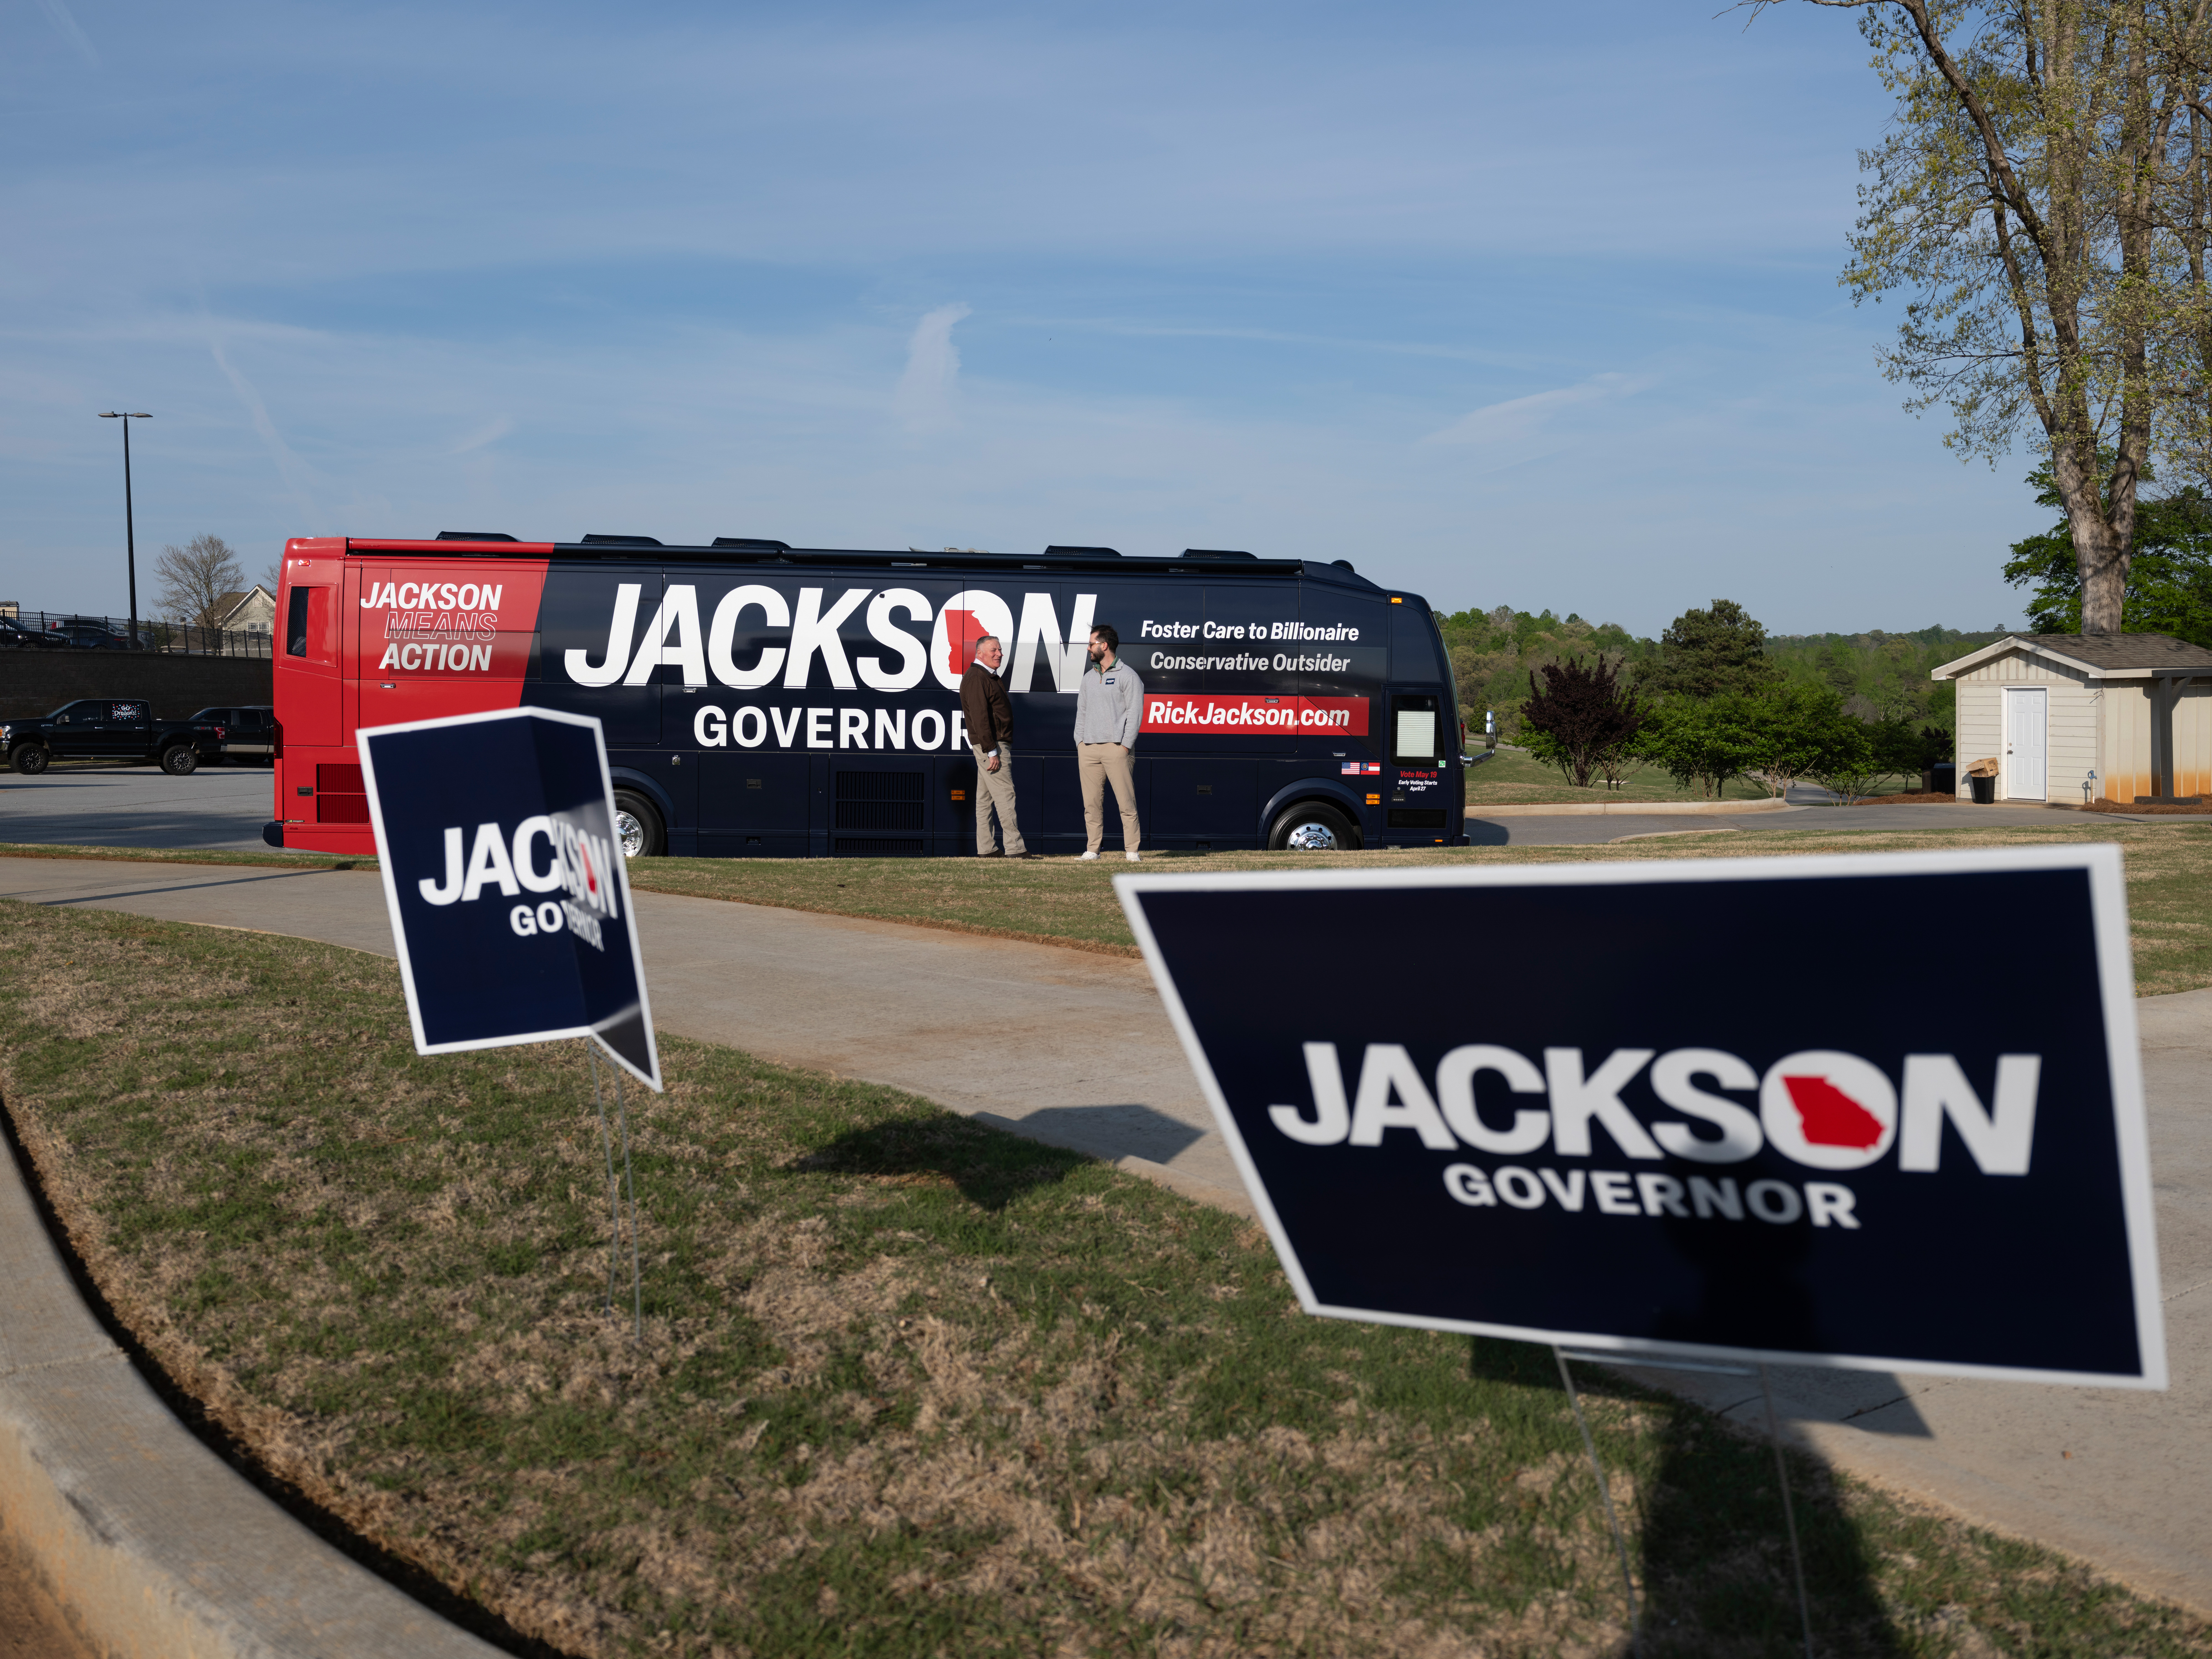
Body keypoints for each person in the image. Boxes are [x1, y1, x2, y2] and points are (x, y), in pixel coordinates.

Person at [1073, 623, 1144, 861]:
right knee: (1091, 804)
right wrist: (1080, 743)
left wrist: (1124, 746)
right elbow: (1081, 713)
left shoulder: (1129, 676)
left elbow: (1135, 714)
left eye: (1091, 644)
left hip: (1117, 749)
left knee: (1126, 802)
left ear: (1104, 646)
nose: (1088, 649)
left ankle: (1132, 851)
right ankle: (1093, 850)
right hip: (1089, 750)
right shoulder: (1088, 679)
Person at [958, 634, 1031, 858]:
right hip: (992, 746)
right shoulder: (977, 678)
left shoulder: (984, 676)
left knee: (985, 799)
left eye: (1000, 650)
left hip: (991, 745)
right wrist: (992, 751)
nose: (999, 654)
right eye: (994, 650)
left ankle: (987, 849)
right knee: (1005, 795)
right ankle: (1016, 849)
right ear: (979, 653)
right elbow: (980, 717)